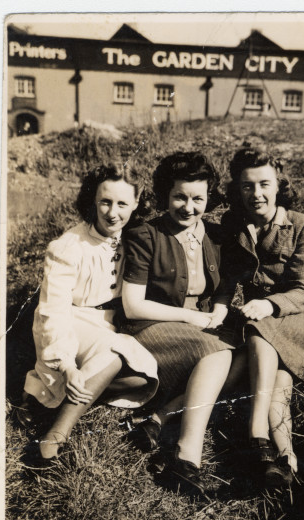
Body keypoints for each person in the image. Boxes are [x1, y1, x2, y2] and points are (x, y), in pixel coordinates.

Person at [21, 163, 159, 463]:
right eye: (105, 202)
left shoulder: (136, 238)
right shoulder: (68, 246)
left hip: (113, 325)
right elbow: (51, 313)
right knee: (113, 353)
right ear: (92, 201)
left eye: (122, 203)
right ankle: (53, 439)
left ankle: (53, 399)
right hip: (74, 322)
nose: (113, 213)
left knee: (143, 380)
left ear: (136, 203)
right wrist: (67, 365)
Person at [120, 151, 234, 493]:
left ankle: (159, 418)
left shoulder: (215, 236)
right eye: (179, 197)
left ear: (208, 198)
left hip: (197, 329)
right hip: (149, 330)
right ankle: (187, 457)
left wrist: (221, 310)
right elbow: (133, 306)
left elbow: (227, 285)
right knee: (220, 356)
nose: (188, 207)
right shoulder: (146, 234)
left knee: (248, 351)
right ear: (164, 196)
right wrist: (191, 317)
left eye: (198, 198)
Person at [219, 147, 304, 487]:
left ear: (279, 185)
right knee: (280, 381)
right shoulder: (232, 225)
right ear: (237, 190)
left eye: (264, 184)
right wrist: (217, 311)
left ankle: (256, 433)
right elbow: (226, 280)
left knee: (257, 329)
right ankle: (285, 459)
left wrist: (269, 305)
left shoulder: (303, 226)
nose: (257, 194)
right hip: (264, 326)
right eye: (247, 186)